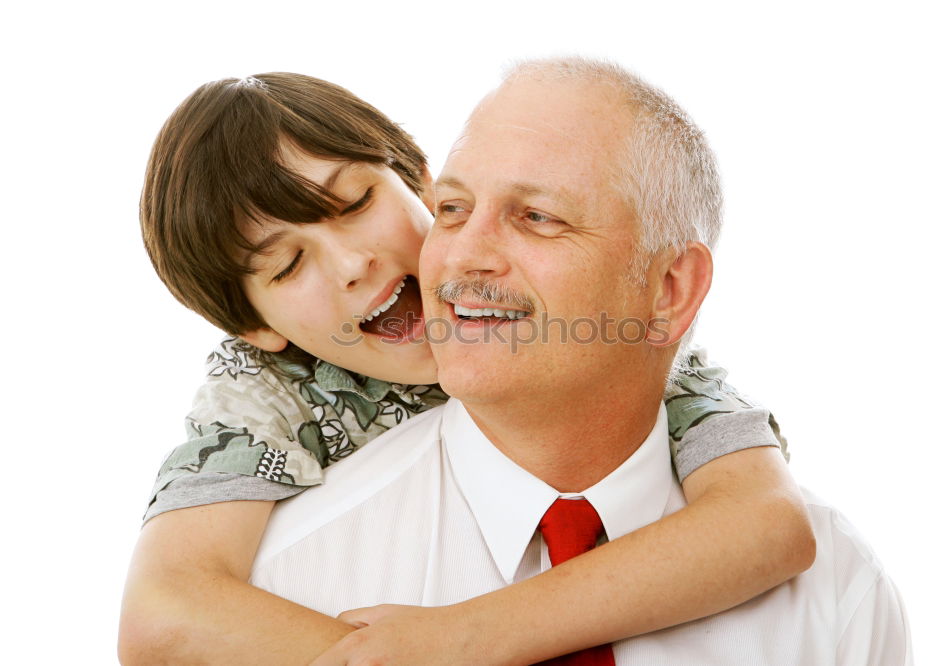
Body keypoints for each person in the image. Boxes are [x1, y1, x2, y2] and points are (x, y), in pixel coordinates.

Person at [119, 70, 816, 664]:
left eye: (357, 203)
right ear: (257, 328)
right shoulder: (264, 394)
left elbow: (768, 522)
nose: (353, 262)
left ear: (423, 182)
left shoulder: (605, 338)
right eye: (289, 263)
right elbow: (164, 608)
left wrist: (470, 638)